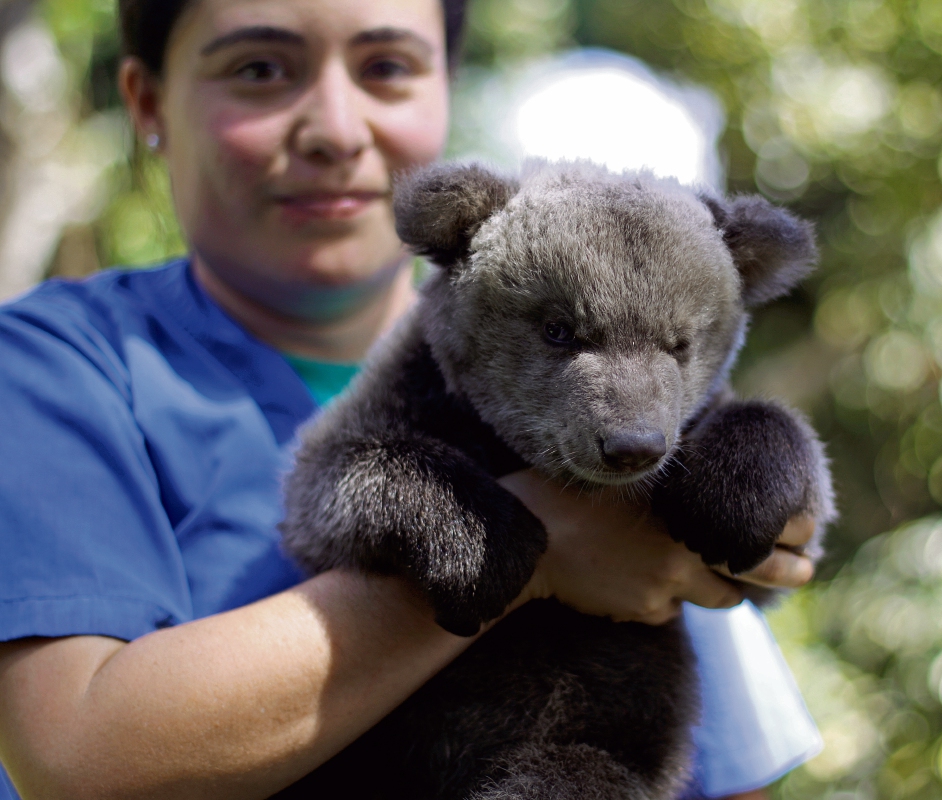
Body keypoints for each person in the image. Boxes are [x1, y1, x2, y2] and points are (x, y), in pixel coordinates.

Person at [0, 0, 821, 797]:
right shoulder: (52, 365)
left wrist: (761, 481)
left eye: (387, 67)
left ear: (447, 86)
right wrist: (550, 548)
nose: (335, 129)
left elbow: (727, 764)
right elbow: (76, 764)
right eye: (258, 69)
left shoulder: (645, 335)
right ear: (147, 100)